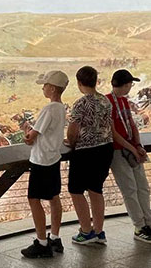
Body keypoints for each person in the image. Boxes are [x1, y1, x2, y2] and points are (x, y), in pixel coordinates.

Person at [107, 69, 151, 244]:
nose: (130, 87)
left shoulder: (123, 101)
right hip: (118, 151)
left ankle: (150, 224)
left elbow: (132, 124)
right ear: (122, 84)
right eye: (128, 84)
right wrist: (133, 148)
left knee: (143, 187)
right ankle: (139, 226)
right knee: (129, 189)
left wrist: (138, 145)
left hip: (131, 149)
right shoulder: (108, 102)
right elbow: (113, 133)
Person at [20, 70, 68, 258]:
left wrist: (27, 131)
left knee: (34, 199)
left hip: (41, 161)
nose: (43, 88)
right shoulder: (61, 108)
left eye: (45, 85)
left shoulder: (49, 109)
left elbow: (31, 138)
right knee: (54, 197)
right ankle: (55, 237)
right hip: (54, 158)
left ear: (53, 88)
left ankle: (41, 242)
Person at [66, 66, 114, 245]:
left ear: (79, 82)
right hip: (106, 148)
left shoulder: (81, 103)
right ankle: (99, 231)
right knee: (96, 189)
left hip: (86, 151)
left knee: (76, 190)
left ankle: (86, 231)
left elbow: (73, 129)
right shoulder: (105, 101)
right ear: (96, 81)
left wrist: (70, 143)